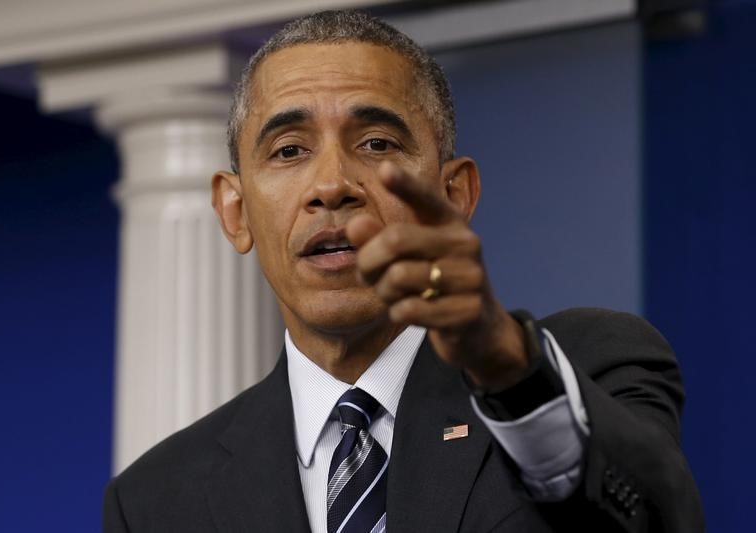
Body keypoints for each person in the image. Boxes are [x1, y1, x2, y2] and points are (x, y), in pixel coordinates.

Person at [103, 10, 703, 533]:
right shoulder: (156, 500)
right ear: (235, 213)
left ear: (454, 195)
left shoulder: (588, 364)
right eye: (289, 150)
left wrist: (508, 372)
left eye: (377, 143)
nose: (333, 186)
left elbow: (652, 519)